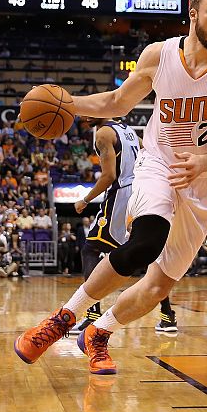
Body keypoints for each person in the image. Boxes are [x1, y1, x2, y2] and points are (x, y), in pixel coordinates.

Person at [15, 0, 207, 375]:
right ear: (193, 13)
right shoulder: (159, 55)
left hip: (202, 179)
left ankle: (99, 333)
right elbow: (117, 102)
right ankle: (62, 320)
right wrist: (69, 105)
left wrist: (204, 162)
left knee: (160, 286)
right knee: (147, 242)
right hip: (158, 163)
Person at [69, 117, 179, 336]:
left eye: (91, 110)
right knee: (144, 253)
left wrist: (85, 199)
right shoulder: (127, 129)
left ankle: (91, 316)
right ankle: (168, 317)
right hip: (142, 190)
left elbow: (109, 176)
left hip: (121, 193)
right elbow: (150, 149)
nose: (85, 116)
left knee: (91, 249)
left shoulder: (103, 134)